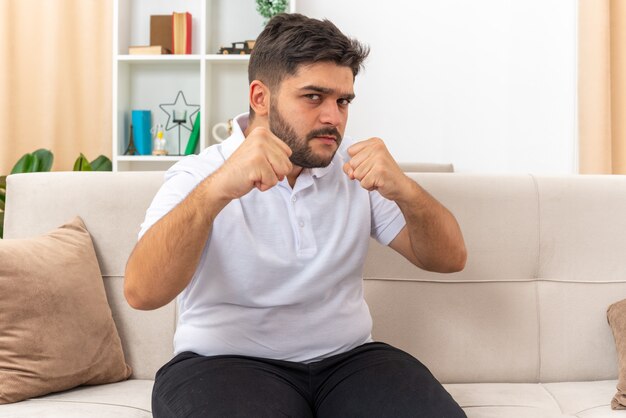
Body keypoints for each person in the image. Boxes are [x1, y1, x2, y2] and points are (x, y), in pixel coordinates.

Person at [125, 13, 468, 418]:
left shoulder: (354, 167)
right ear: (260, 98)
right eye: (313, 97)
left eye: (342, 101)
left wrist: (406, 190)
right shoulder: (200, 175)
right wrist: (217, 190)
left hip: (350, 361)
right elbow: (141, 293)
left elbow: (449, 259)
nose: (334, 117)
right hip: (222, 363)